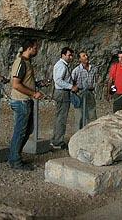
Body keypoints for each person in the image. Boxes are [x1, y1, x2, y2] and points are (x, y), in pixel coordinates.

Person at [8, 39, 44, 170]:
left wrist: (38, 84)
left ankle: (14, 156)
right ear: (29, 48)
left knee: (27, 130)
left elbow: (25, 81)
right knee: (20, 131)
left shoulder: (27, 62)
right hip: (21, 101)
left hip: (25, 101)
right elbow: (16, 84)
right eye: (35, 48)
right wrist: (33, 93)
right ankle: (15, 160)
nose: (37, 50)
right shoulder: (21, 62)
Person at [50, 47, 78, 150]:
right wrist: (71, 87)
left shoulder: (62, 65)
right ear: (63, 55)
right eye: (69, 55)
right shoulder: (61, 66)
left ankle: (55, 139)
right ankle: (58, 142)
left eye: (71, 55)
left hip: (61, 93)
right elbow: (58, 80)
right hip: (62, 93)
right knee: (61, 118)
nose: (71, 57)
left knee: (59, 117)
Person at [71, 51, 98, 130]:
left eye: (86, 55)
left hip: (90, 93)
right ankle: (77, 137)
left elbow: (96, 81)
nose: (86, 57)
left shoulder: (94, 69)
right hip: (80, 93)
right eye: (83, 56)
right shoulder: (76, 70)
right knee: (79, 116)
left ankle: (92, 134)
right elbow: (72, 83)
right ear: (79, 59)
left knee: (92, 114)